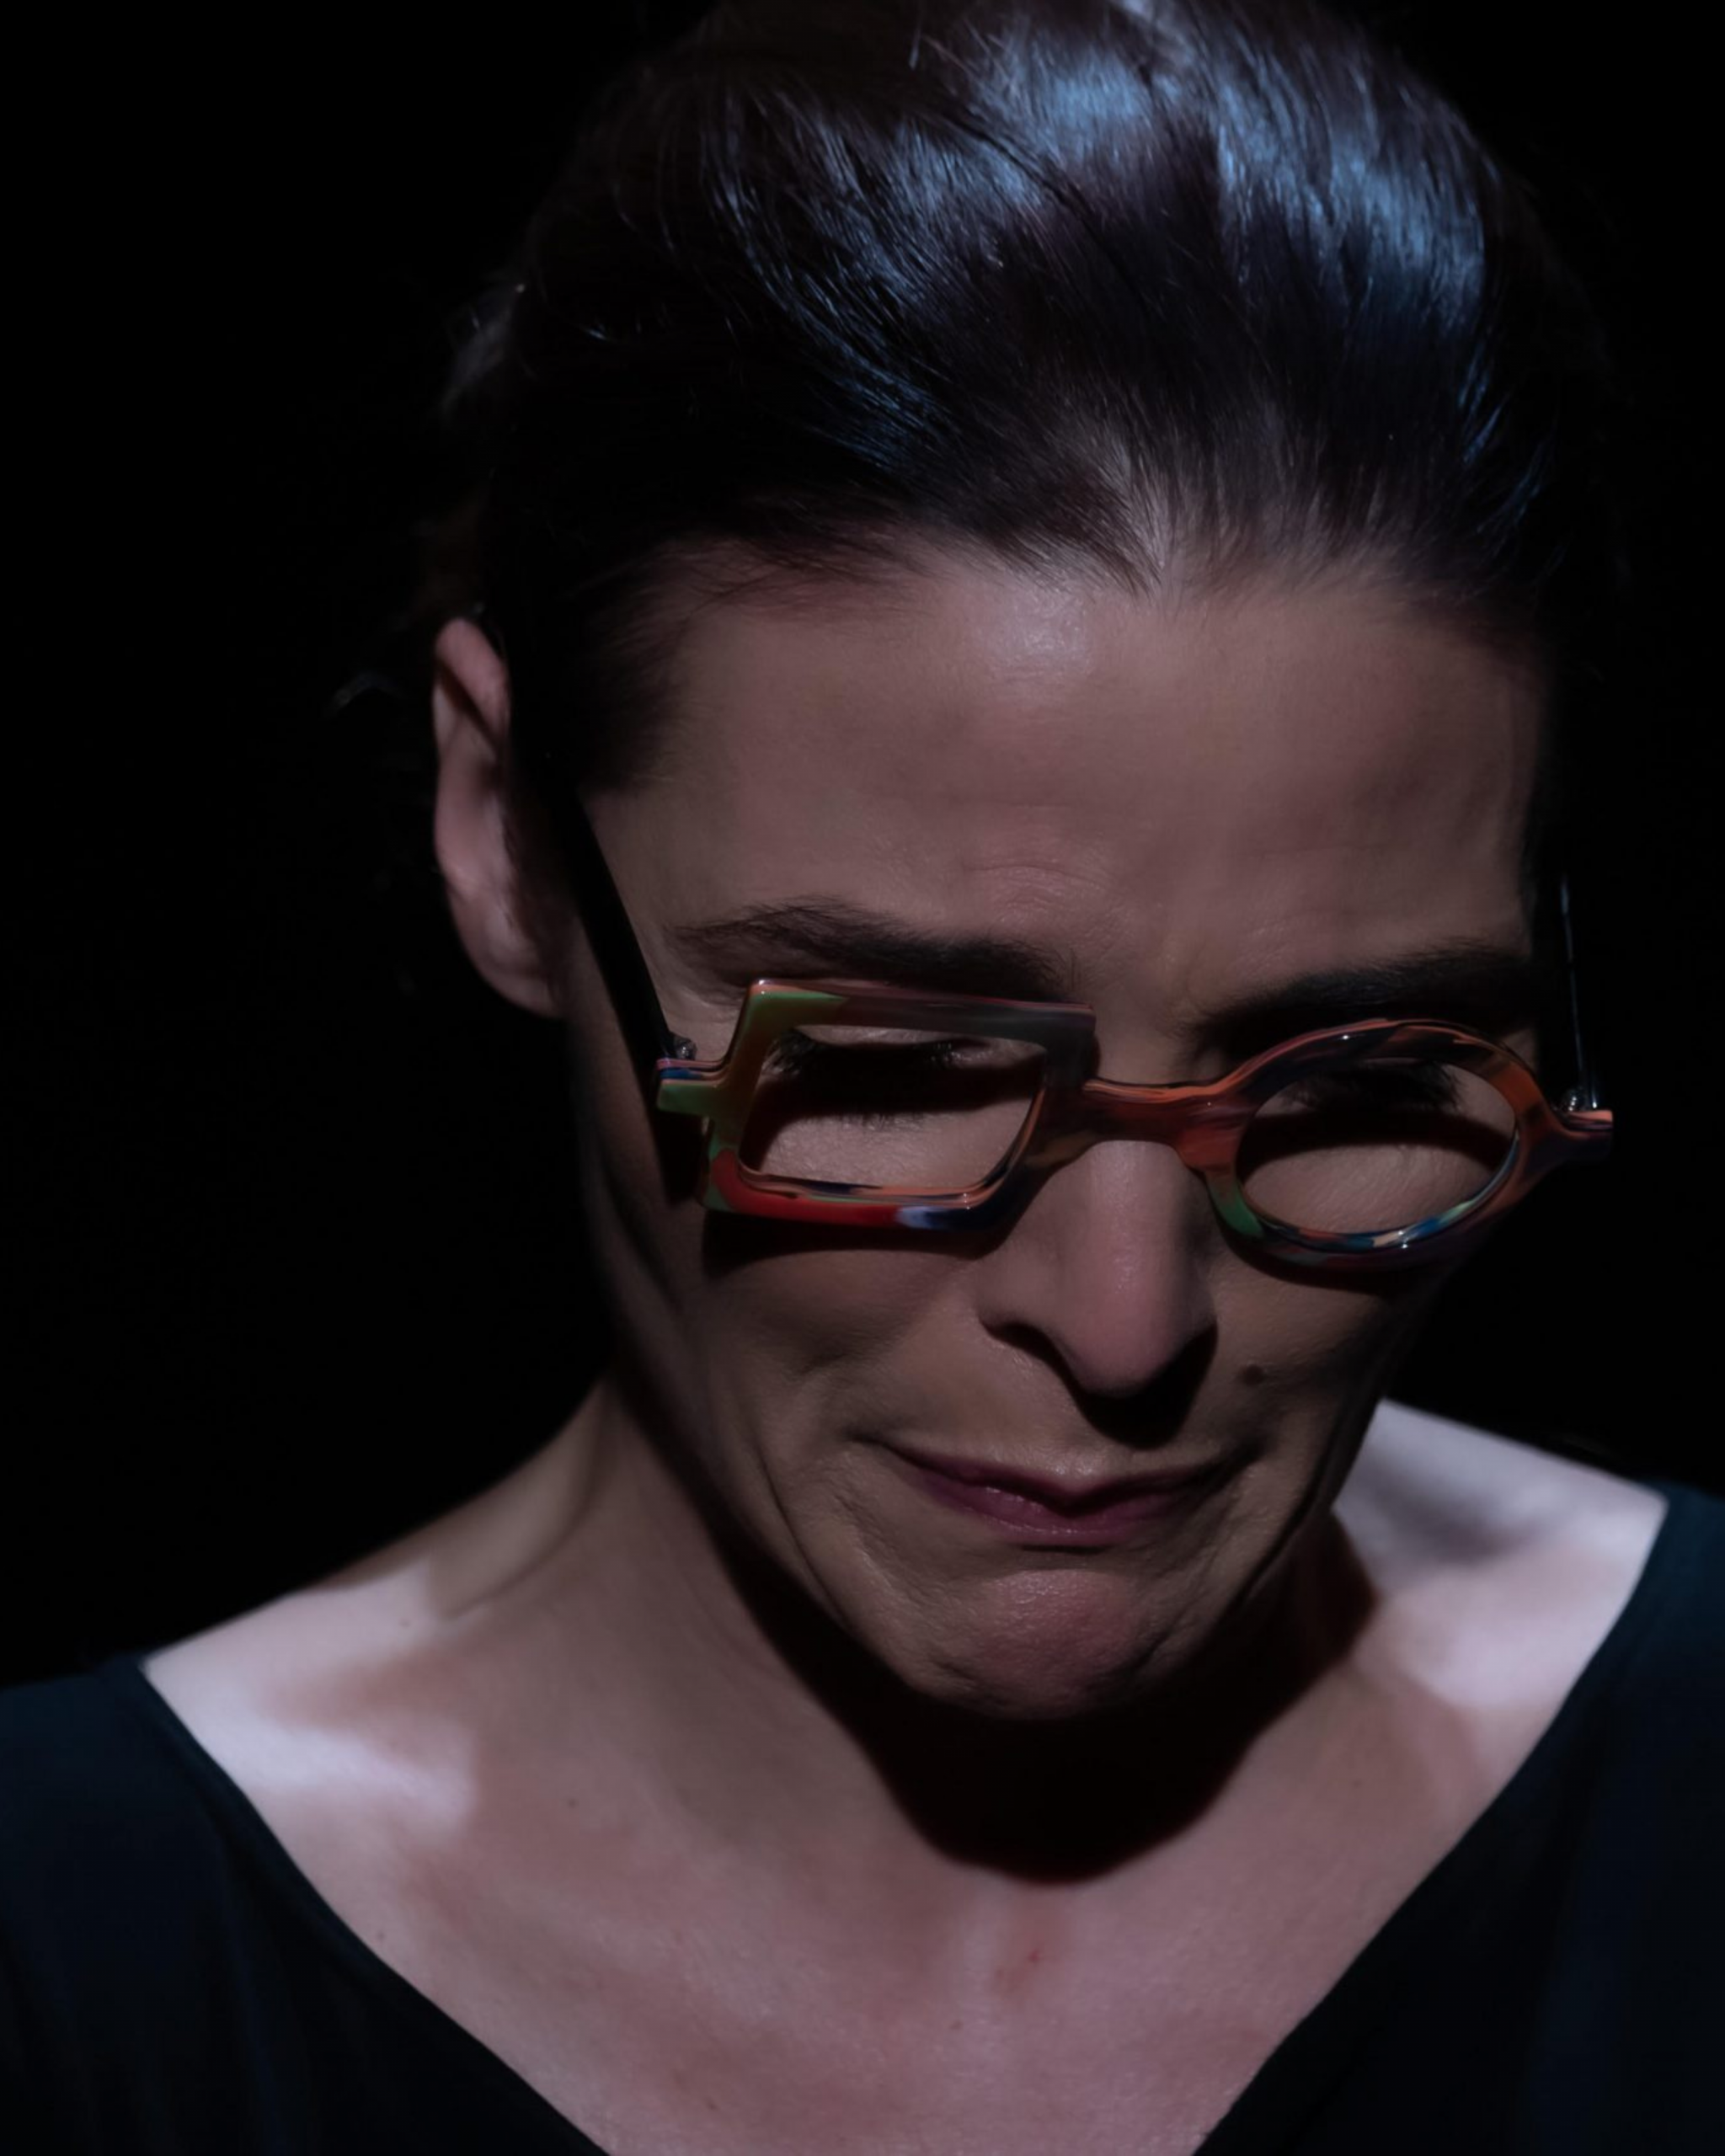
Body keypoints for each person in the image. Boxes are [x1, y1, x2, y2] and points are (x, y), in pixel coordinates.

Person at [3, 3, 1720, 2151]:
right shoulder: (66, 1972)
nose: (1126, 1327)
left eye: (1352, 1077)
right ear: (501, 833)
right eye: (897, 1061)